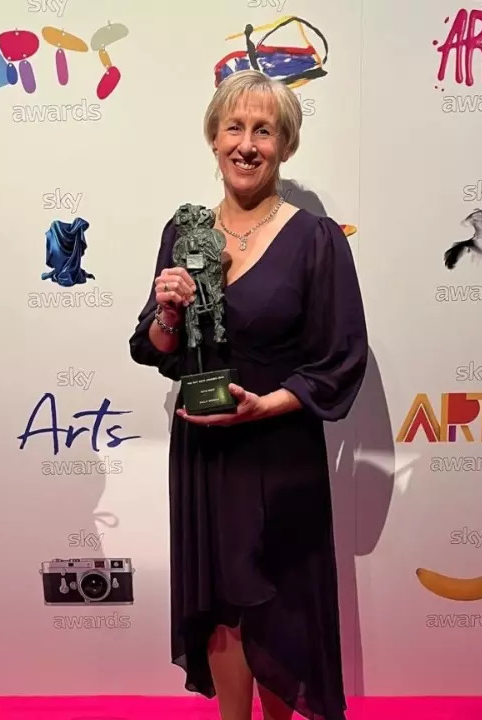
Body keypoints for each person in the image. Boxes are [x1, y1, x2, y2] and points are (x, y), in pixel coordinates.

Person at [128, 69, 367, 720]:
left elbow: (340, 358)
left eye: (265, 130)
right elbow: (155, 346)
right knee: (221, 606)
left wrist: (270, 404)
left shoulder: (317, 239)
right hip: (204, 451)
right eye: (234, 127)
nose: (247, 143)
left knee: (280, 604)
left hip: (280, 449)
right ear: (213, 138)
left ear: (286, 145)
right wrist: (169, 310)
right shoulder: (183, 232)